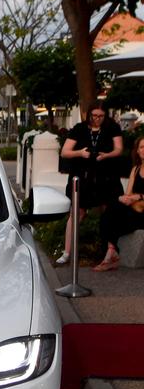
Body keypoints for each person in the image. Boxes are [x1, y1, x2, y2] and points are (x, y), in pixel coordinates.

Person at [55, 102, 124, 264]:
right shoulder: (79, 128)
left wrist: (106, 156)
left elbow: (119, 149)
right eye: (94, 115)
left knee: (109, 212)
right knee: (77, 213)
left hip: (106, 177)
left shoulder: (112, 127)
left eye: (101, 116)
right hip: (82, 177)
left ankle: (109, 251)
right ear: (89, 115)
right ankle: (67, 252)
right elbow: (65, 152)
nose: (97, 119)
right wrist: (80, 153)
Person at [93, 134, 144, 270]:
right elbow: (128, 193)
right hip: (134, 211)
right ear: (137, 151)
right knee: (109, 211)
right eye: (142, 147)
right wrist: (125, 198)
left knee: (114, 216)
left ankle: (111, 254)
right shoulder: (136, 169)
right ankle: (111, 250)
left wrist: (138, 196)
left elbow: (135, 195)